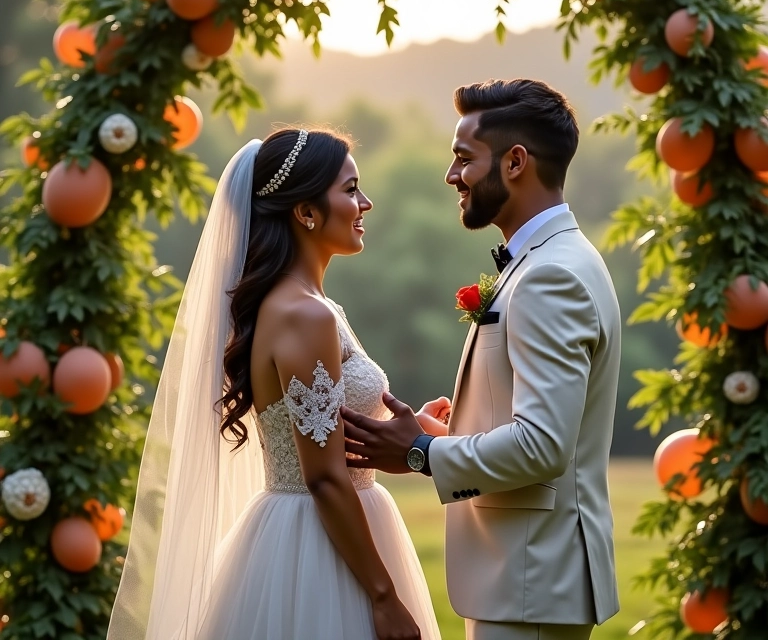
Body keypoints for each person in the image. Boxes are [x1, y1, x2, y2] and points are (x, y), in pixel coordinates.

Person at [107, 127, 440, 640]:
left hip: (333, 526)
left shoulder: (314, 306)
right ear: (305, 212)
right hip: (318, 547)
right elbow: (323, 476)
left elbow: (319, 431)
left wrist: (407, 429)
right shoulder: (303, 315)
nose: (365, 203)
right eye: (350, 190)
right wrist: (383, 596)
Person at [343, 79, 622, 640]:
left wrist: (422, 454)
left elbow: (544, 445)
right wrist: (457, 429)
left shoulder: (550, 276)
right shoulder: (550, 260)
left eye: (464, 159)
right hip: (525, 578)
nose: (452, 176)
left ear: (515, 162)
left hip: (529, 583)